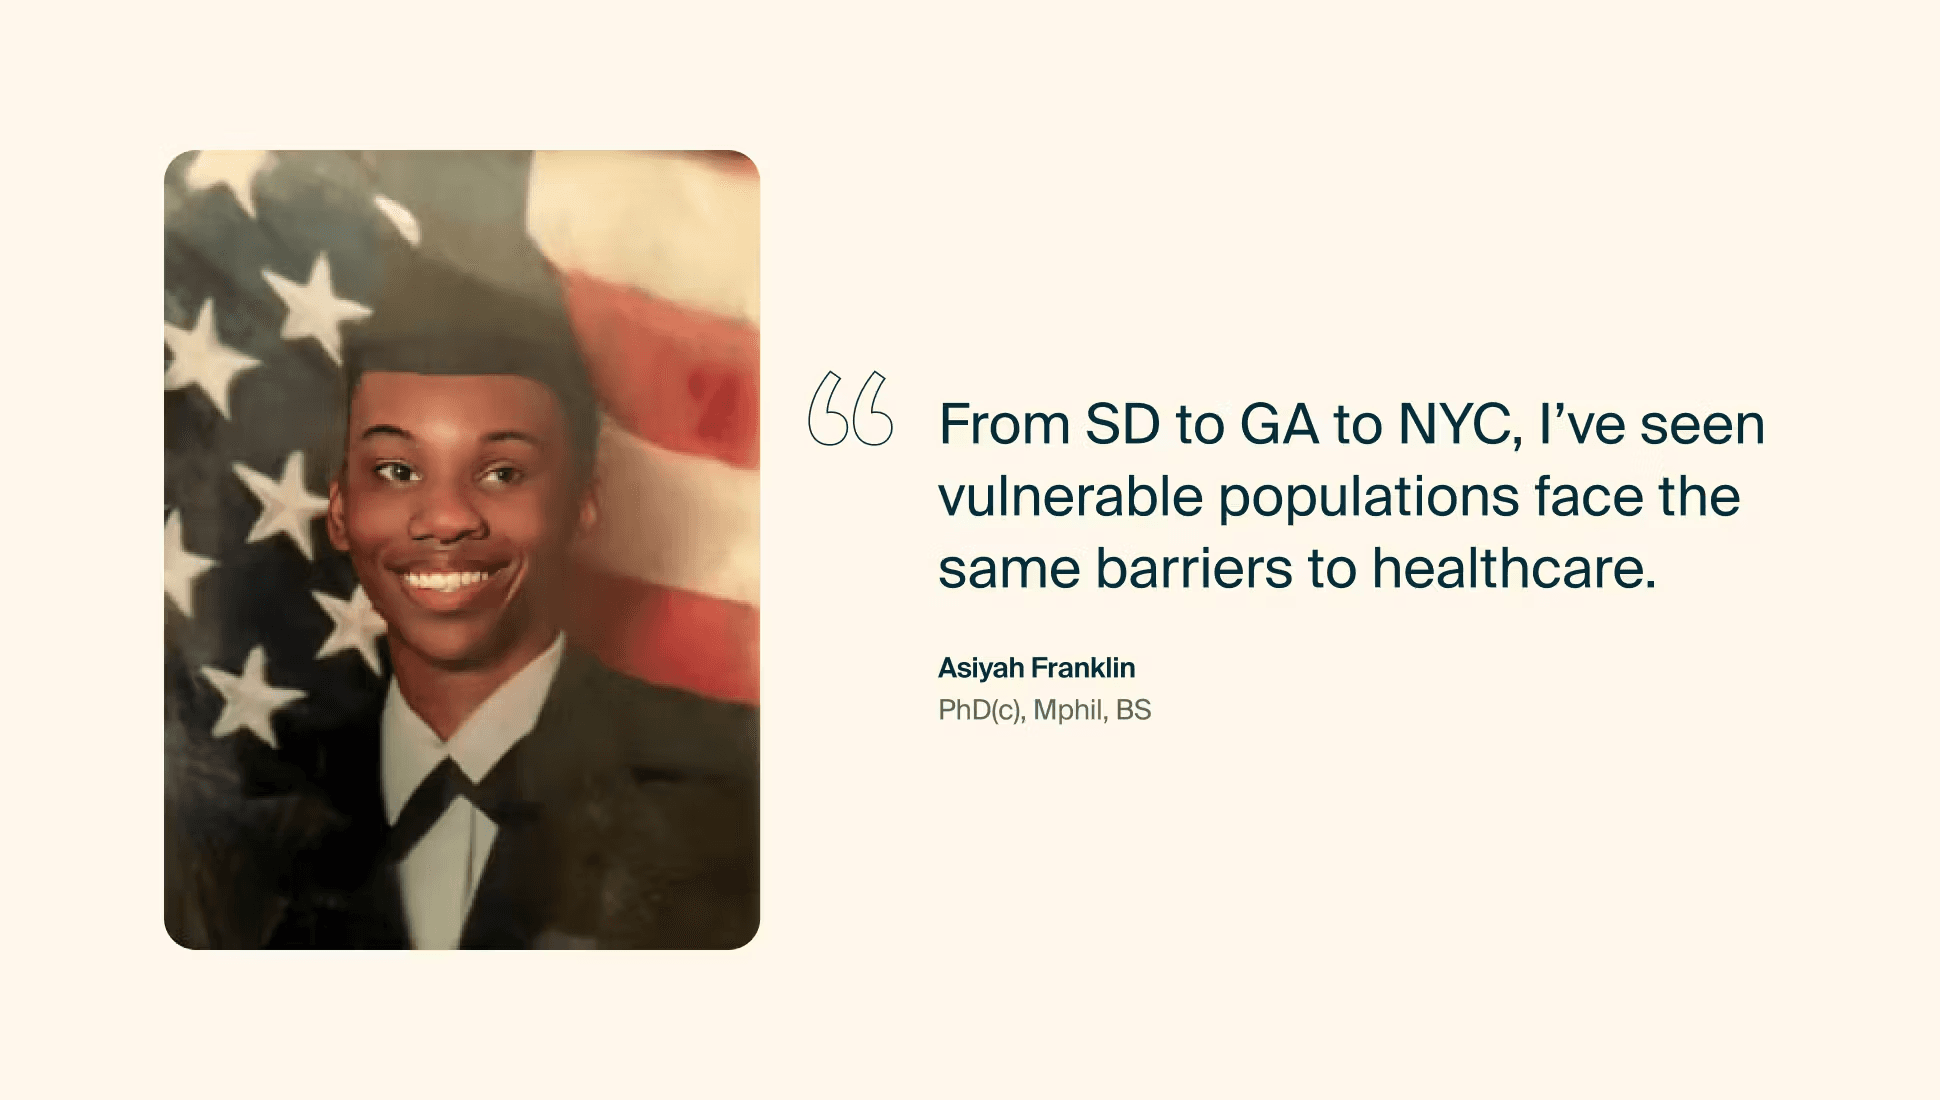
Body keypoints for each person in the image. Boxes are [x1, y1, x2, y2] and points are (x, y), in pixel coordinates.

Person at [264, 235, 758, 949]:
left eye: (501, 473)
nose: (445, 519)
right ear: (340, 509)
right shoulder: (252, 792)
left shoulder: (732, 802)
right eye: (397, 471)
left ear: (584, 504)